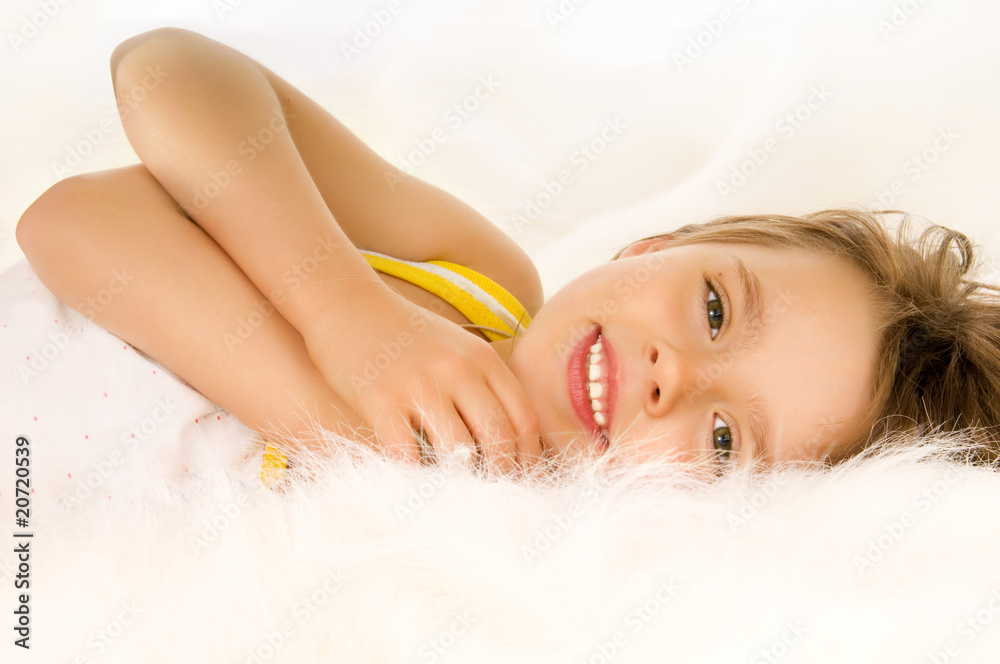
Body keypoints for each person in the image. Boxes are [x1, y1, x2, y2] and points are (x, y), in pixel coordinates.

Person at [15, 28, 1000, 487]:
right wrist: (346, 319)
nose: (675, 376)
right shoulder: (479, 276)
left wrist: (361, 456)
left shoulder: (493, 558)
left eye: (722, 440)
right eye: (712, 309)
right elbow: (146, 102)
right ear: (656, 245)